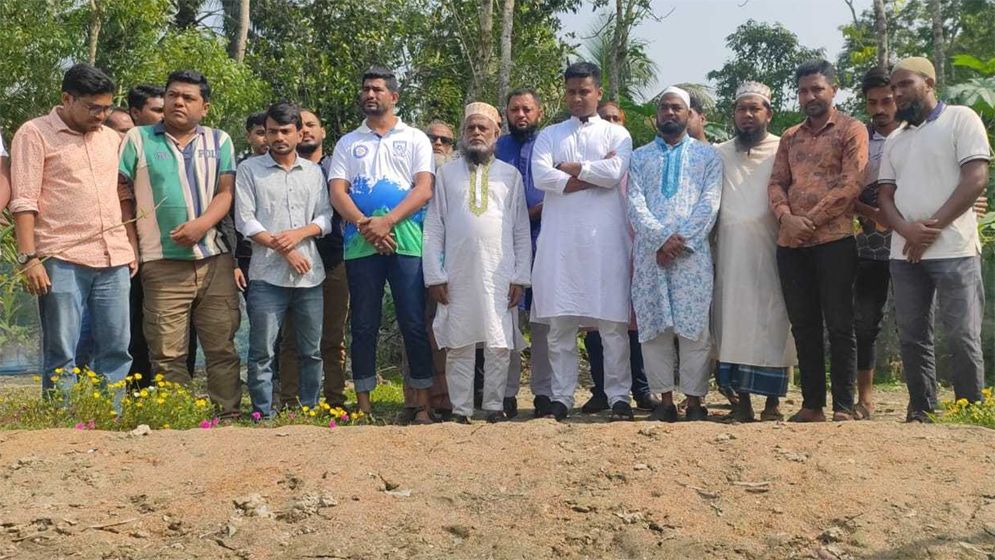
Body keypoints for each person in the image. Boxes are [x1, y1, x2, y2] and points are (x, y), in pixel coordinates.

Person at [118, 69, 242, 416]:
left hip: (214, 259)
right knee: (167, 350)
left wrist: (201, 225)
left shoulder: (220, 141)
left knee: (221, 345)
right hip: (159, 261)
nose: (178, 102)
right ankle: (178, 415)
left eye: (188, 98)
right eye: (173, 95)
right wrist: (132, 244)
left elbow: (226, 192)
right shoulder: (138, 139)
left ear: (205, 107)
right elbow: (122, 191)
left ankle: (229, 413)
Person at [877, 57, 991, 423]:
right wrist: (907, 231)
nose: (897, 93)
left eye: (905, 84)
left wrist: (932, 228)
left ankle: (971, 412)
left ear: (929, 81)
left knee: (961, 334)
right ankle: (922, 408)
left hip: (955, 247)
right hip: (905, 251)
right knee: (913, 335)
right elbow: (884, 196)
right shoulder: (896, 139)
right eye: (893, 87)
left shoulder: (961, 118)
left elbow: (975, 179)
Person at [9, 63, 134, 398]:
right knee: (62, 350)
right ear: (67, 98)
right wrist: (29, 258)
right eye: (93, 107)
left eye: (107, 107)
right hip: (60, 257)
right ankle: (62, 421)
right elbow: (23, 200)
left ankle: (110, 417)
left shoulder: (111, 139)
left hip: (114, 257)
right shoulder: (34, 134)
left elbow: (123, 195)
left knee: (116, 348)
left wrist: (130, 247)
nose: (101, 115)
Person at [327, 66, 436, 424]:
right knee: (362, 324)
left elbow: (423, 189)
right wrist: (365, 224)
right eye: (365, 89)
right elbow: (337, 192)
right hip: (360, 245)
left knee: (413, 322)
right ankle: (364, 405)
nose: (369, 94)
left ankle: (421, 403)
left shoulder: (416, 138)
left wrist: (387, 222)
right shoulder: (347, 142)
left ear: (394, 96)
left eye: (377, 89)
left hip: (406, 242)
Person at [531, 62, 634, 421]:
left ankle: (619, 396)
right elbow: (542, 175)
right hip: (561, 243)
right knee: (560, 325)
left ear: (598, 92)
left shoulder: (617, 134)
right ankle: (562, 398)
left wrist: (570, 168)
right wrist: (593, 171)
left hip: (605, 242)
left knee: (612, 325)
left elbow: (615, 172)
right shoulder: (550, 134)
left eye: (584, 91)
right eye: (571, 91)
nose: (577, 98)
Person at [768, 60, 868, 422]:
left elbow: (852, 182)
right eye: (803, 90)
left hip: (835, 240)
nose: (809, 96)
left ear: (833, 90)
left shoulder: (851, 129)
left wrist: (810, 220)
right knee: (803, 324)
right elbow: (777, 181)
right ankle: (812, 405)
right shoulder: (790, 136)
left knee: (840, 323)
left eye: (816, 89)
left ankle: (843, 405)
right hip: (791, 243)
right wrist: (786, 218)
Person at [423, 102, 532, 423]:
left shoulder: (510, 176)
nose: (476, 133)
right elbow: (433, 228)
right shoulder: (445, 175)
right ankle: (461, 410)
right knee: (459, 342)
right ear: (462, 133)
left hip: (500, 273)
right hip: (456, 274)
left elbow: (521, 230)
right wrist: (435, 276)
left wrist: (519, 278)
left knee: (499, 342)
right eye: (470, 127)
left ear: (496, 134)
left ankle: (495, 406)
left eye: (483, 128)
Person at [626, 86, 722, 422]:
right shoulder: (638, 157)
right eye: (664, 107)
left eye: (676, 108)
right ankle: (665, 401)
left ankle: (695, 402)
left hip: (691, 258)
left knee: (694, 328)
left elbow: (710, 204)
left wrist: (679, 242)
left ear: (688, 114)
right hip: (651, 257)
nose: (670, 113)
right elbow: (635, 204)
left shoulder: (708, 157)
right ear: (657, 115)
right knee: (654, 330)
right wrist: (660, 241)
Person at [236, 102, 333, 418]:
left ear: (298, 133)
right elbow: (246, 222)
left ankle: (309, 410)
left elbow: (326, 217)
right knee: (262, 351)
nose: (277, 137)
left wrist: (300, 234)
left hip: (310, 276)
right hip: (266, 275)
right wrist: (285, 248)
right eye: (271, 131)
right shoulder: (249, 170)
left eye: (285, 131)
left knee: (311, 351)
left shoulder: (314, 172)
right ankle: (262, 413)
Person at [713, 82, 794, 422]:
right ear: (733, 114)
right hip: (730, 255)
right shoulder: (719, 152)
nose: (747, 115)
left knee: (775, 321)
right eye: (741, 109)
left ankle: (773, 403)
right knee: (732, 323)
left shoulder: (784, 148)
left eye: (754, 109)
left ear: (768, 113)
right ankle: (742, 402)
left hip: (774, 250)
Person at [581, 100, 658, 414]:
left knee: (634, 327)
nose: (611, 124)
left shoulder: (638, 163)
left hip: (634, 253)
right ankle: (602, 390)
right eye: (606, 119)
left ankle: (641, 390)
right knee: (598, 326)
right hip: (597, 252)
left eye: (616, 119)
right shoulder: (589, 165)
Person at [274, 108, 350, 410]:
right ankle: (292, 403)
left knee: (333, 337)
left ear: (323, 132)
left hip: (333, 260)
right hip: (290, 263)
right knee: (291, 338)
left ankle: (335, 401)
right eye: (299, 125)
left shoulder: (336, 167)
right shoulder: (278, 168)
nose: (305, 130)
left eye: (311, 125)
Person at [495, 87, 553, 418]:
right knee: (509, 321)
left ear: (539, 113)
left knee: (543, 322)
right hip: (505, 245)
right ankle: (506, 393)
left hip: (545, 240)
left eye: (527, 109)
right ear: (506, 113)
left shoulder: (550, 144)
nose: (521, 115)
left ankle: (544, 393)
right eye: (515, 109)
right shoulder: (496, 148)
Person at [849, 67, 901, 420]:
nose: (879, 108)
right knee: (865, 321)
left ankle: (926, 398)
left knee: (917, 321)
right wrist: (873, 214)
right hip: (869, 244)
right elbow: (844, 191)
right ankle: (865, 398)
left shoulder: (919, 136)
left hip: (917, 242)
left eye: (886, 100)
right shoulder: (858, 140)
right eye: (872, 102)